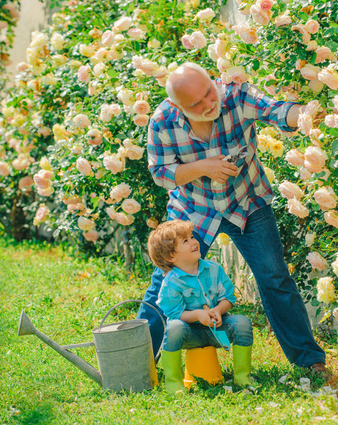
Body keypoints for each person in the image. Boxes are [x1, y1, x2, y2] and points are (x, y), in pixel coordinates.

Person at [137, 62, 327, 376]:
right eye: (196, 104)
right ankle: (139, 367)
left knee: (275, 279)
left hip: (247, 202)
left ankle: (310, 361)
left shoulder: (237, 96)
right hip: (192, 211)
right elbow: (161, 173)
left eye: (209, 93)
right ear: (176, 105)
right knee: (163, 283)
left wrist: (306, 114)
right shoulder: (163, 121)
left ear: (213, 82)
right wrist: (204, 167)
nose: (209, 104)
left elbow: (277, 111)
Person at [148, 220, 253, 393]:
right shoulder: (171, 282)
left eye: (191, 237)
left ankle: (242, 377)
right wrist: (197, 315)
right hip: (190, 333)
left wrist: (219, 310)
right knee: (173, 327)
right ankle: (173, 381)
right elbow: (174, 312)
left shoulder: (214, 269)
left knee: (242, 322)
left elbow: (228, 297)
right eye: (185, 241)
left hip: (217, 329)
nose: (194, 242)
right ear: (171, 257)